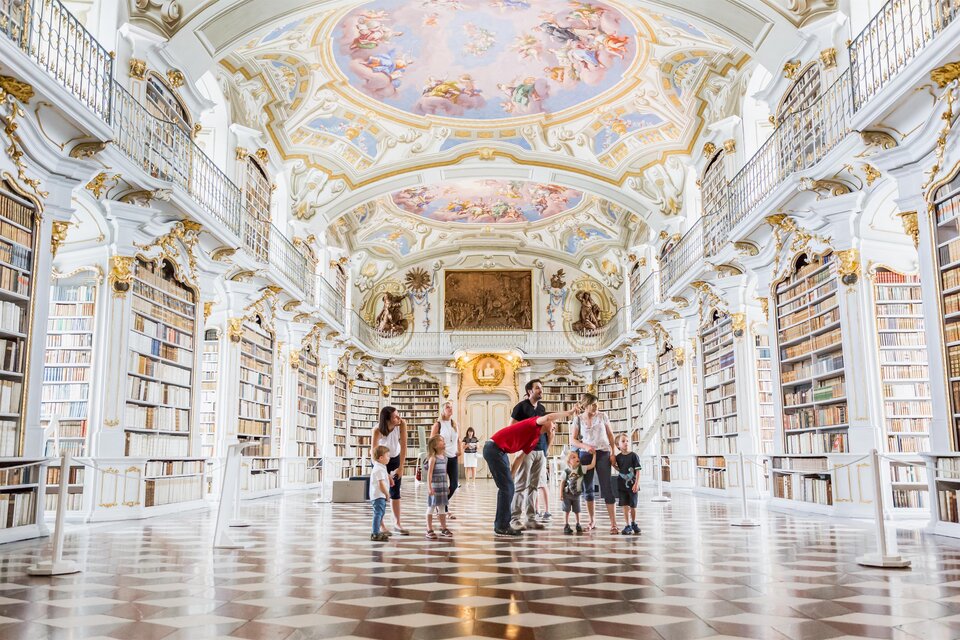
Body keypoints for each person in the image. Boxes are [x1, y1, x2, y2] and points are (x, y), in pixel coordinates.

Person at [483, 405, 581, 538]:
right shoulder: (534, 423)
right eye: (553, 423)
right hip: (493, 449)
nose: (554, 426)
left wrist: (511, 476)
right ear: (546, 421)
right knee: (507, 488)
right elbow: (549, 416)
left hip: (500, 451)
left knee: (508, 487)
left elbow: (519, 457)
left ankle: (501, 524)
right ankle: (502, 526)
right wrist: (570, 412)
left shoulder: (534, 439)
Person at [570, 392, 620, 534]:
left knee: (607, 488)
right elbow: (573, 440)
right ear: (585, 405)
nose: (596, 406)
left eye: (597, 403)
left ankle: (614, 524)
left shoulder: (603, 416)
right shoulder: (578, 419)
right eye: (593, 404)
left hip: (603, 453)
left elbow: (610, 435)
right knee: (588, 488)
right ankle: (592, 521)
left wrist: (613, 453)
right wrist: (585, 446)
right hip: (585, 455)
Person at [509, 379, 550, 531]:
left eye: (541, 387)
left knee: (534, 486)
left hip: (540, 450)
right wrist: (519, 447)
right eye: (537, 388)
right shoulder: (520, 407)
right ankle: (515, 519)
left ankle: (531, 519)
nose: (541, 390)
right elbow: (511, 428)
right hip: (526, 450)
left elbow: (544, 430)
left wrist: (545, 449)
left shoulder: (542, 408)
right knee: (521, 485)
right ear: (529, 391)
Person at [371, 406, 410, 535]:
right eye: (395, 416)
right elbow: (374, 454)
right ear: (387, 419)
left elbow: (404, 446)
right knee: (380, 494)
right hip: (380, 461)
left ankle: (397, 523)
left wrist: (401, 467)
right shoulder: (377, 430)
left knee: (395, 491)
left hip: (394, 458)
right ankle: (381, 525)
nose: (399, 418)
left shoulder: (401, 424)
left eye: (398, 415)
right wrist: (384, 473)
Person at [430, 401, 462, 518]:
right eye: (447, 407)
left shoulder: (455, 424)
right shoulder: (438, 425)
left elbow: (458, 439)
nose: (450, 409)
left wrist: (460, 450)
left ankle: (440, 505)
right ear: (443, 410)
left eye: (451, 407)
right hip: (442, 458)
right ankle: (444, 509)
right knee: (442, 486)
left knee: (454, 485)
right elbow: (431, 441)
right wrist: (435, 455)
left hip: (453, 457)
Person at [424, 435, 453, 540]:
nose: (444, 442)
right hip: (435, 487)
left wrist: (447, 485)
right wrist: (429, 487)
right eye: (441, 441)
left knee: (442, 508)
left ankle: (444, 528)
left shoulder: (445, 458)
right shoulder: (433, 458)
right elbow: (429, 474)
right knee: (431, 507)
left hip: (442, 486)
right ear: (435, 446)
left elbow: (445, 473)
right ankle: (429, 529)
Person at [561, 449, 596, 534]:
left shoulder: (581, 469)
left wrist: (594, 455)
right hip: (567, 495)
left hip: (577, 495)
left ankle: (578, 524)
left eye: (577, 457)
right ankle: (566, 525)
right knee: (567, 510)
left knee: (577, 510)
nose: (577, 458)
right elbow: (562, 483)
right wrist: (561, 494)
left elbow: (592, 465)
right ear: (569, 462)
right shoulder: (566, 471)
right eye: (573, 457)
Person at [614, 433, 642, 535]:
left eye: (627, 441)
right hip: (622, 485)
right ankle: (628, 525)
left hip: (633, 485)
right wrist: (614, 465)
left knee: (633, 505)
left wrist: (636, 483)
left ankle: (634, 523)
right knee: (625, 505)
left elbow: (638, 471)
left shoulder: (634, 456)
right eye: (623, 441)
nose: (626, 443)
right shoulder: (618, 457)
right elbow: (620, 469)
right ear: (618, 445)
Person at [369, 445, 391, 542]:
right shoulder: (379, 469)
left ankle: (377, 531)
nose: (389, 458)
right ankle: (375, 533)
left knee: (380, 514)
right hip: (378, 496)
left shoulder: (381, 467)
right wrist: (387, 494)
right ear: (381, 458)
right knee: (378, 514)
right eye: (388, 456)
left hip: (379, 495)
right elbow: (381, 484)